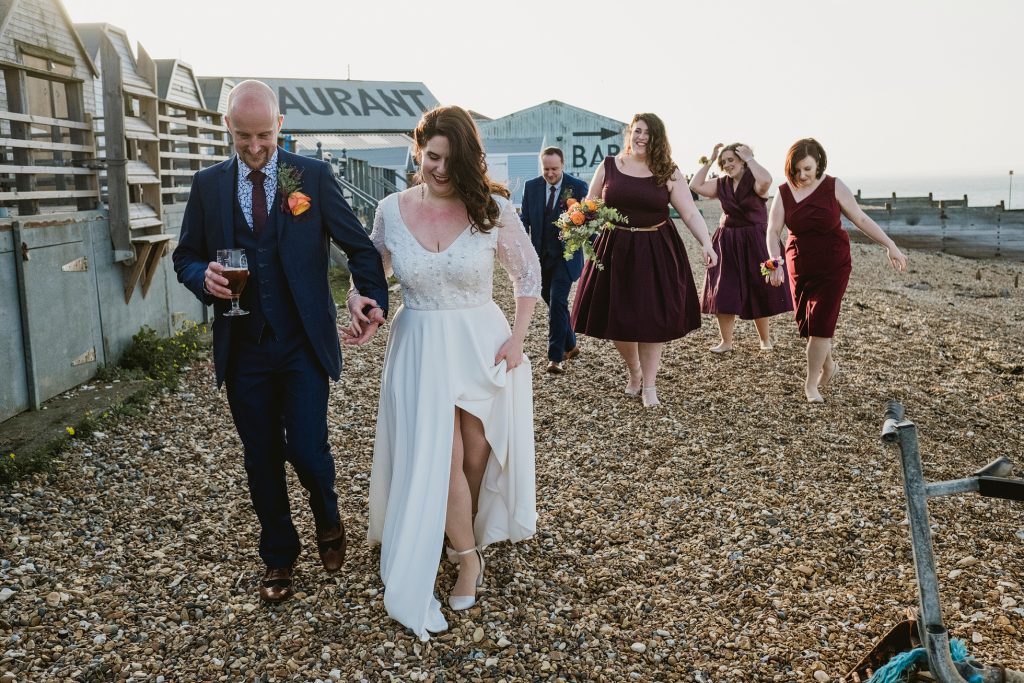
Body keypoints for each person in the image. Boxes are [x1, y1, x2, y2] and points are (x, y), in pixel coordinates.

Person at [172, 80, 389, 604]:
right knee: (260, 456)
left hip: (301, 342)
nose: (253, 147)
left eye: (264, 135)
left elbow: (358, 247)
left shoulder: (311, 176)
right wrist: (203, 277)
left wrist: (368, 299)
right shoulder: (207, 185)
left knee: (308, 450)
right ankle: (278, 555)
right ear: (227, 126)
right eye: (243, 136)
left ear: (280, 126)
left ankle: (329, 518)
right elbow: (185, 256)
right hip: (243, 344)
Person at [343, 105, 541, 641]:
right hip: (421, 345)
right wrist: (360, 304)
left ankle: (459, 529)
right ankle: (467, 558)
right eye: (432, 157)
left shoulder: (490, 207)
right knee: (445, 454)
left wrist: (518, 340)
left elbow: (528, 274)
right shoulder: (390, 208)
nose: (439, 170)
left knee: (476, 453)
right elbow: (372, 277)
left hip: (481, 343)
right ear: (418, 150)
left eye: (451, 161)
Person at [570, 113, 717, 408]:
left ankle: (649, 385)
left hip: (656, 249)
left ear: (658, 139)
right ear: (629, 134)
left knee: (651, 320)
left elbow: (689, 212)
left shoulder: (668, 171)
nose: (642, 137)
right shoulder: (610, 165)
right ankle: (634, 370)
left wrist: (707, 242)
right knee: (618, 319)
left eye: (649, 134)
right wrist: (575, 225)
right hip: (615, 249)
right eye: (638, 131)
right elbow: (591, 204)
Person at [766, 138, 907, 402]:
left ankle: (811, 385)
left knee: (821, 322)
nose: (802, 175)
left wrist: (890, 245)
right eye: (796, 170)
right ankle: (829, 365)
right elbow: (772, 232)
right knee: (808, 325)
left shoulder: (834, 186)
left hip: (834, 263)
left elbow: (861, 218)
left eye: (807, 168)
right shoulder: (783, 192)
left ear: (818, 162)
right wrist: (774, 264)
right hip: (799, 264)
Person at [690, 143, 793, 352]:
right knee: (723, 290)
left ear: (743, 160)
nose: (728, 165)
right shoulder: (722, 184)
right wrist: (710, 159)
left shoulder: (755, 182)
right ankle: (726, 342)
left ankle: (765, 340)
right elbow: (695, 185)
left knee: (759, 287)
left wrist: (750, 158)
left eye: (732, 160)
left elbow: (767, 180)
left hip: (755, 239)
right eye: (724, 161)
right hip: (726, 240)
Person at [520, 147, 589, 373]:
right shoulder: (531, 187)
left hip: (566, 257)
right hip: (540, 257)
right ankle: (570, 344)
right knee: (552, 301)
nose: (550, 173)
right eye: (546, 169)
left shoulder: (577, 188)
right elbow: (525, 220)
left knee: (558, 301)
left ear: (563, 165)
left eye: (554, 169)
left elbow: (589, 220)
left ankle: (555, 358)